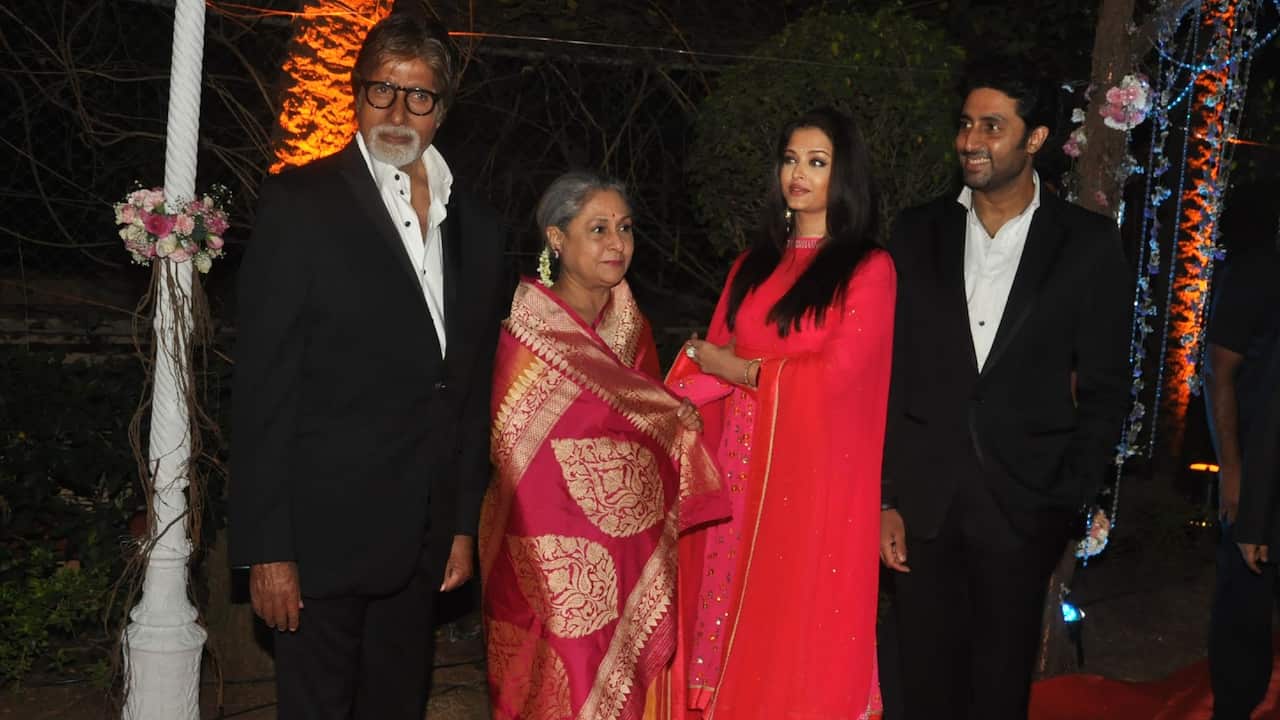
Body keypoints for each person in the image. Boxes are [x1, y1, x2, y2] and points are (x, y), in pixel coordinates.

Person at [229, 13, 507, 719]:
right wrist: (267, 549)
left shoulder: (477, 225)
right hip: (317, 542)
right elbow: (264, 391)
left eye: (418, 96)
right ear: (357, 94)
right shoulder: (302, 204)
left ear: (441, 109)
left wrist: (460, 526)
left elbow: (468, 391)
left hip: (420, 542)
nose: (397, 111)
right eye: (381, 90)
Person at [878, 70, 1132, 719]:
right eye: (966, 123)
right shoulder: (915, 232)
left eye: (993, 126)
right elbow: (889, 372)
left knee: (998, 691)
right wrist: (884, 498)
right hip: (923, 508)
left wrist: (1066, 499)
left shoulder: (1087, 244)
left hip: (1023, 508)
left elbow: (1106, 388)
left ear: (1037, 138)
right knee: (921, 685)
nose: (972, 139)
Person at [671, 106, 895, 719]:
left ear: (842, 175)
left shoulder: (867, 269)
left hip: (810, 479)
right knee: (729, 608)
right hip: (738, 472)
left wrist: (739, 372)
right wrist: (642, 413)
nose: (798, 173)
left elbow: (839, 378)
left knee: (792, 617)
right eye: (791, 159)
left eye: (817, 162)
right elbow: (709, 362)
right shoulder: (754, 265)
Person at [480, 172, 728, 720]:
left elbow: (646, 428)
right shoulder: (525, 332)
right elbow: (518, 457)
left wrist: (675, 420)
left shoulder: (630, 326)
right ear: (557, 239)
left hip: (630, 551)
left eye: (625, 228)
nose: (618, 243)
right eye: (598, 229)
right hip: (546, 559)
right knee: (558, 680)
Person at [1205, 233, 1280, 720]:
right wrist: (1234, 475)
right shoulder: (1258, 272)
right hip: (1261, 478)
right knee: (1244, 615)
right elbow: (1219, 373)